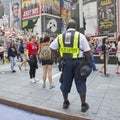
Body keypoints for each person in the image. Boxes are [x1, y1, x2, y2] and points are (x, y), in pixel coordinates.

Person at [49, 19, 91, 112]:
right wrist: (87, 63)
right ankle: (83, 105)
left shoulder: (60, 36)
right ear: (75, 27)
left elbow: (52, 47)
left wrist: (60, 56)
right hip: (78, 64)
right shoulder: (80, 36)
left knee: (65, 82)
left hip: (66, 63)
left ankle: (65, 102)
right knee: (81, 83)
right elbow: (87, 52)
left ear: (67, 27)